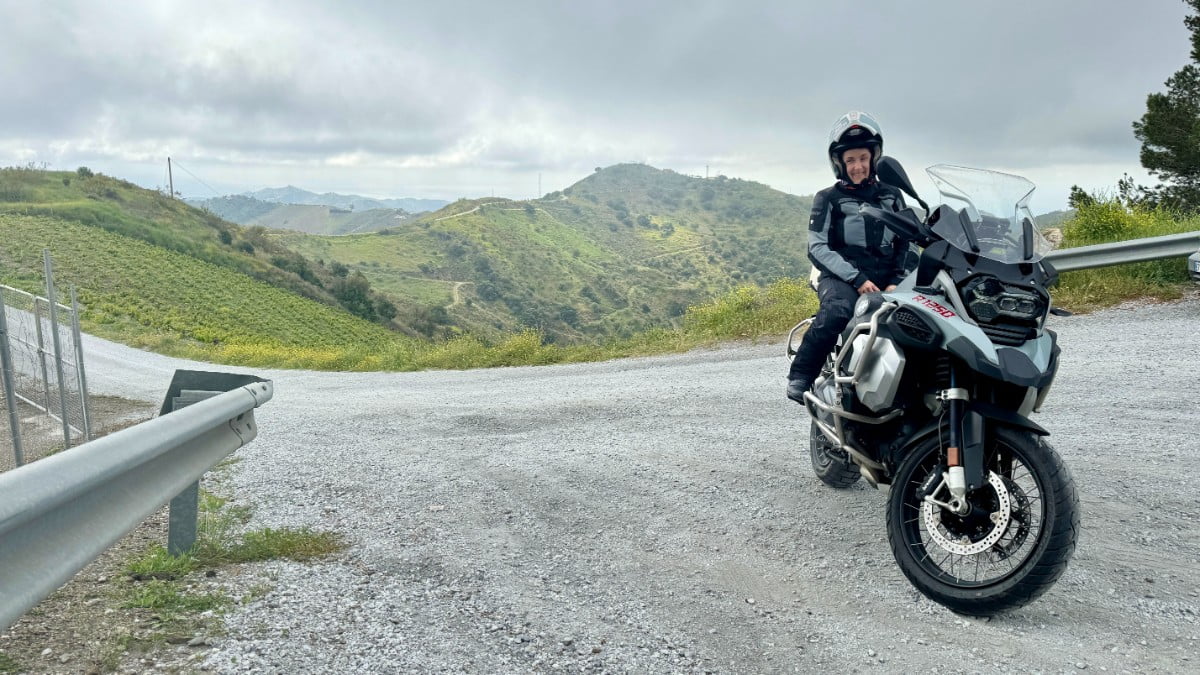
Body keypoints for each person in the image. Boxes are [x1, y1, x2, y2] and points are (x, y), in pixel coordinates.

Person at [787, 111, 912, 403]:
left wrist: (896, 280)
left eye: (863, 158)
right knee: (838, 312)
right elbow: (816, 247)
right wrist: (857, 279)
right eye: (851, 160)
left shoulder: (892, 195)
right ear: (840, 163)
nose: (858, 166)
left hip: (886, 273)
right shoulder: (827, 198)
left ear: (874, 159)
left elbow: (906, 241)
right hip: (840, 274)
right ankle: (801, 375)